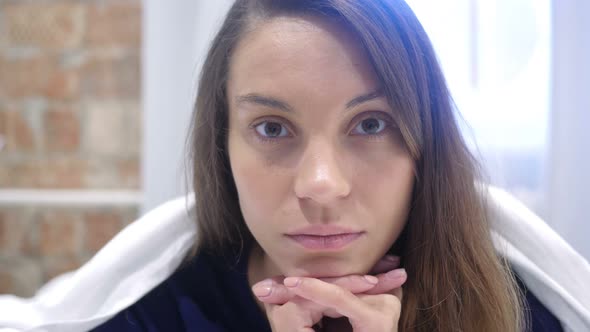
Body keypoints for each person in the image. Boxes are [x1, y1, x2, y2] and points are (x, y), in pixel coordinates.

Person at [92, 0, 563, 331]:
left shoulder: (516, 312)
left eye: (372, 124)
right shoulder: (153, 316)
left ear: (428, 145)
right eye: (272, 128)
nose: (321, 184)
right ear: (222, 147)